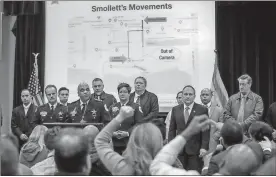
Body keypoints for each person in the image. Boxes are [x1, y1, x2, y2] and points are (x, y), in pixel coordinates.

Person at [95, 106, 183, 175]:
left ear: (132, 141)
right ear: (160, 142)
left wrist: (120, 117)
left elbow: (100, 141)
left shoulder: (122, 167)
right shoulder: (167, 169)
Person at [168, 85, 210, 172]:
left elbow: (205, 130)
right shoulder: (175, 109)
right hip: (179, 150)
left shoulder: (202, 109)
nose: (187, 96)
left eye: (190, 94)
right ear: (182, 95)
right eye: (185, 94)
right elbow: (172, 130)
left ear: (194, 96)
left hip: (195, 151)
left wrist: (204, 147)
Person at [109, 83, 143, 154]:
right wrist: (112, 133)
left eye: (125, 92)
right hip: (114, 143)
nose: (122, 94)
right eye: (120, 92)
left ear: (129, 94)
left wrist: (127, 133)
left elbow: (139, 124)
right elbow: (107, 123)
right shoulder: (112, 107)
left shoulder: (135, 107)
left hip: (129, 142)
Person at [200, 88, 223, 152]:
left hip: (213, 143)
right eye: (203, 95)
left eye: (207, 95)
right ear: (200, 96)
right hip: (199, 143)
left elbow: (222, 126)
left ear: (211, 96)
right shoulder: (196, 109)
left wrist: (215, 136)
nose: (204, 96)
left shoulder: (219, 110)